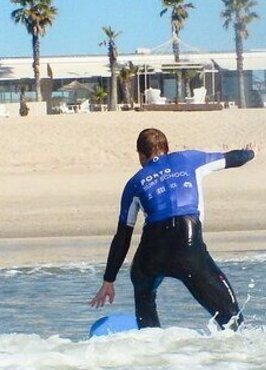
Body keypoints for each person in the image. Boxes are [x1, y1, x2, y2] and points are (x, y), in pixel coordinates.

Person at [89, 128, 255, 331]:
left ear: (141, 155)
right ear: (167, 149)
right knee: (232, 321)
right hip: (187, 247)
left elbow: (123, 236)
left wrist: (109, 280)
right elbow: (232, 159)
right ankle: (239, 340)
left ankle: (151, 336)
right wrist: (250, 152)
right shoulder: (189, 159)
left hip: (152, 251)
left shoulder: (134, 183)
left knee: (142, 283)